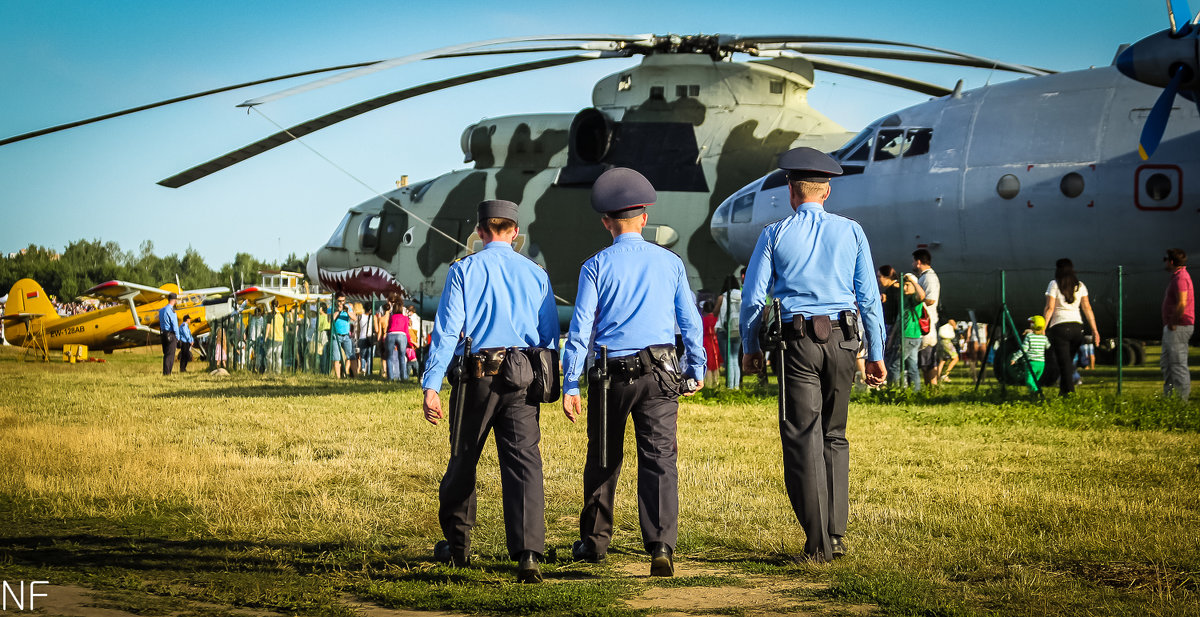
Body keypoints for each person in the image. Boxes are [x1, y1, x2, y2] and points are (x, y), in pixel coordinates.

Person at [740, 147, 886, 563]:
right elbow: (869, 298)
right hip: (844, 341)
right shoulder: (852, 231)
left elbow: (754, 299)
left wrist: (750, 346)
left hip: (797, 341)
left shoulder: (774, 234)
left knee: (803, 437)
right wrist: (875, 350)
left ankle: (817, 541)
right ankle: (836, 536)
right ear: (826, 193)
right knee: (835, 435)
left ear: (791, 191)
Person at [561, 167, 706, 578]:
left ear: (606, 221)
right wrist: (695, 367)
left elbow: (582, 328)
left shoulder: (594, 266)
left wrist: (570, 380)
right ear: (644, 219)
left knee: (604, 457)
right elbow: (689, 321)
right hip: (662, 372)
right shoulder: (671, 263)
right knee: (660, 458)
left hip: (611, 374)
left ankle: (594, 542)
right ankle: (661, 545)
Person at [421, 199, 559, 584]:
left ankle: (459, 547)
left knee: (464, 460)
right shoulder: (536, 275)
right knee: (524, 465)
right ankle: (529, 554)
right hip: (522, 376)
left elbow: (448, 331)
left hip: (476, 377)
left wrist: (431, 384)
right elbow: (548, 335)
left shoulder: (463, 270)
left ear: (480, 232)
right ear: (515, 233)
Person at [1042, 258, 1100, 396]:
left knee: (1064, 364)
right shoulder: (1080, 286)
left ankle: (1069, 393)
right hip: (1077, 328)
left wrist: (1043, 327)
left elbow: (1050, 308)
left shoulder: (1054, 284)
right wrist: (1094, 329)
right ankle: (1064, 392)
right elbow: (1087, 308)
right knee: (1067, 363)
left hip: (1060, 327)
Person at [1162, 248, 1194, 399]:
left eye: (1166, 259)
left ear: (1172, 261)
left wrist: (1173, 323)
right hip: (1173, 326)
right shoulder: (1176, 277)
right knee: (1168, 364)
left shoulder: (1181, 278)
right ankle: (1169, 399)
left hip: (1178, 326)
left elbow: (1182, 303)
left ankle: (1182, 402)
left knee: (1178, 364)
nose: (1165, 262)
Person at [911, 249, 942, 386]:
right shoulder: (924, 277)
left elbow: (930, 300)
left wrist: (915, 300)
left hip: (927, 323)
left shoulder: (929, 278)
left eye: (914, 261)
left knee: (928, 360)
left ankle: (932, 388)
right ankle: (930, 387)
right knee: (926, 360)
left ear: (918, 262)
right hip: (923, 322)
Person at [714, 269, 743, 389]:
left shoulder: (723, 297)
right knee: (735, 358)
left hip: (724, 329)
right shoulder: (742, 295)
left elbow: (715, 313)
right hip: (737, 329)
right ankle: (736, 385)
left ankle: (730, 385)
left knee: (728, 359)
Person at [1010, 315, 1050, 390]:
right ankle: (1034, 396)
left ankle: (1037, 393)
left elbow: (1023, 350)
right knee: (1035, 381)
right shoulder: (1044, 338)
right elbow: (1048, 346)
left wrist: (1014, 358)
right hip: (1041, 364)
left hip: (1031, 363)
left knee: (1029, 381)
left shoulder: (1029, 337)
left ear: (1032, 325)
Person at [329, 293, 355, 378]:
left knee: (350, 355)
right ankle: (338, 377)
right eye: (339, 301)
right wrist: (338, 312)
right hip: (336, 335)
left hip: (346, 335)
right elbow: (330, 320)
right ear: (336, 300)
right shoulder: (331, 308)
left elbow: (354, 318)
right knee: (336, 357)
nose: (341, 303)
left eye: (343, 301)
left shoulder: (347, 307)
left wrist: (347, 312)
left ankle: (349, 373)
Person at [386, 299, 410, 382]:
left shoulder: (391, 317)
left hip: (391, 334)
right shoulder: (405, 318)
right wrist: (409, 341)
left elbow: (388, 327)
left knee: (389, 357)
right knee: (402, 357)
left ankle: (390, 378)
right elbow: (406, 330)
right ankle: (403, 377)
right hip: (401, 335)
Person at [158, 293, 179, 376]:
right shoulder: (171, 311)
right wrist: (177, 337)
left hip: (163, 333)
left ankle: (165, 372)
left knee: (166, 354)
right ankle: (167, 373)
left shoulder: (161, 310)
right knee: (170, 355)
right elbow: (174, 325)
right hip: (170, 334)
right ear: (174, 300)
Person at [701, 300, 721, 387]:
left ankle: (708, 383)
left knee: (708, 363)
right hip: (715, 340)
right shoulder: (716, 319)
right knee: (716, 363)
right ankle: (716, 381)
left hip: (705, 341)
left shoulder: (703, 320)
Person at [356, 302, 376, 376]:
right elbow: (376, 329)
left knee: (363, 356)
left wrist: (358, 338)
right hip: (370, 338)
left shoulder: (360, 316)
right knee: (370, 356)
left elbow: (358, 329)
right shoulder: (373, 317)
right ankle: (369, 372)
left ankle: (363, 368)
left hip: (362, 337)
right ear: (371, 309)